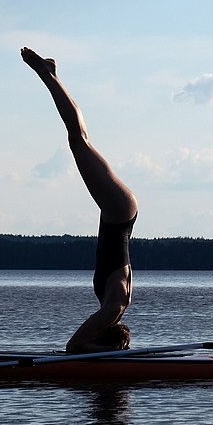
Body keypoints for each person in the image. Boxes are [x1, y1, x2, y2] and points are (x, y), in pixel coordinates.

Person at [21, 47, 138, 354]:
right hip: (118, 214)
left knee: (78, 140)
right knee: (78, 139)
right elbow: (74, 347)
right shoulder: (113, 309)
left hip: (117, 215)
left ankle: (51, 76)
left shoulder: (111, 310)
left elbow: (80, 343)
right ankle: (47, 75)